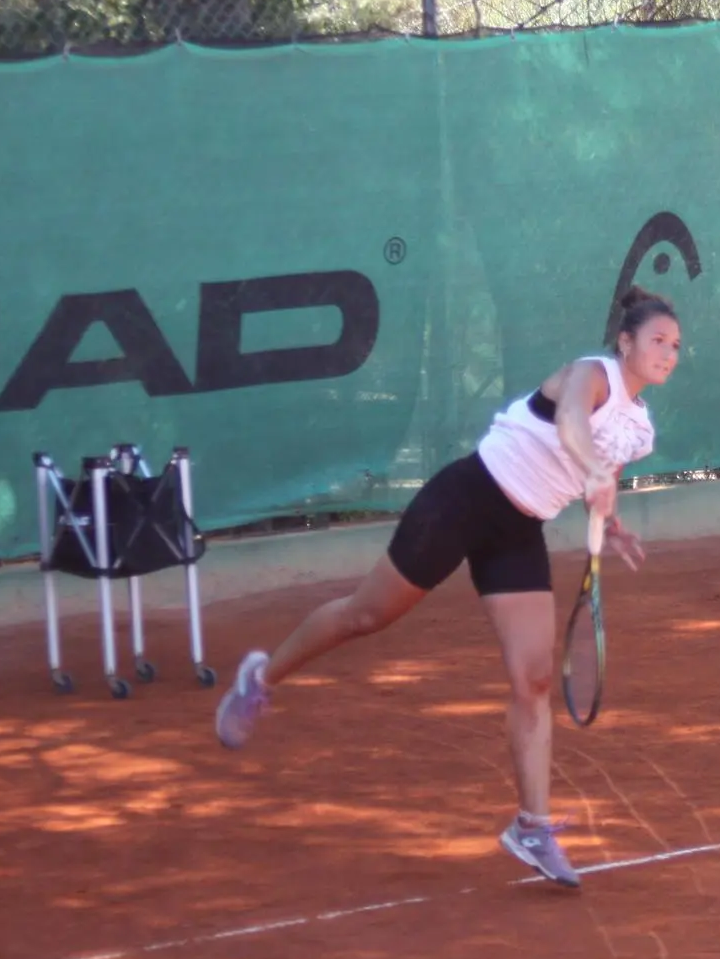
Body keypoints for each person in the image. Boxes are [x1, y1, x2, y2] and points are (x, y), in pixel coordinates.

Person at [213, 287, 681, 888]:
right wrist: (593, 474)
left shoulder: (640, 429)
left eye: (675, 346)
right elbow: (570, 427)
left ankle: (532, 826)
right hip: (466, 499)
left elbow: (603, 468)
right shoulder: (591, 375)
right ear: (626, 342)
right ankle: (262, 677)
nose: (668, 353)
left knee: (534, 677)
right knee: (366, 615)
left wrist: (609, 521)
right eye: (657, 341)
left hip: (518, 532)